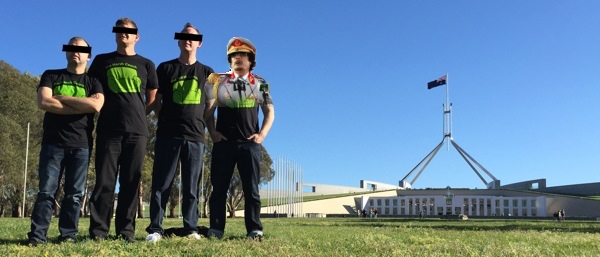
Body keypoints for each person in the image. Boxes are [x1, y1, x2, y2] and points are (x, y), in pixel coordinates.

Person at [27, 37, 104, 246]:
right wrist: (81, 105)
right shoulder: (51, 75)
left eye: (80, 49)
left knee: (75, 194)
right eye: (71, 48)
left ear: (88, 56)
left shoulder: (94, 81)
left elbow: (96, 106)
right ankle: (37, 236)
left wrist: (61, 98)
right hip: (53, 143)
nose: (74, 52)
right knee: (46, 191)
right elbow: (43, 101)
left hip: (81, 145)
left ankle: (68, 235)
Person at [87, 17, 158, 242]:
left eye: (128, 31)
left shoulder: (146, 64)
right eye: (119, 31)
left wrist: (137, 115)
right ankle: (99, 231)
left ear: (137, 37)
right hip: (109, 129)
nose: (122, 34)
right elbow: (92, 91)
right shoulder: (101, 60)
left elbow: (152, 97)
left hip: (137, 132)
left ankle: (126, 232)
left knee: (131, 182)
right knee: (104, 182)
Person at [145, 23, 214, 243]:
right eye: (184, 36)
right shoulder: (164, 68)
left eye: (192, 37)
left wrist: (202, 125)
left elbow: (211, 105)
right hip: (168, 135)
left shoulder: (208, 72)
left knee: (192, 186)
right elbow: (156, 100)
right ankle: (156, 228)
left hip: (195, 137)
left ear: (199, 43)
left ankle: (191, 228)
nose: (188, 40)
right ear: (178, 40)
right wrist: (161, 117)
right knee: (161, 184)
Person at [205, 37, 274, 240]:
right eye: (234, 55)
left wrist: (261, 135)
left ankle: (255, 229)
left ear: (251, 60)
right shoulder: (215, 80)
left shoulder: (261, 83)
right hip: (223, 144)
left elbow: (269, 111)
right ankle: (216, 230)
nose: (238, 58)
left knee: (251, 190)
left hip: (249, 145)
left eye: (243, 55)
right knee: (218, 189)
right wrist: (212, 132)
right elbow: (207, 112)